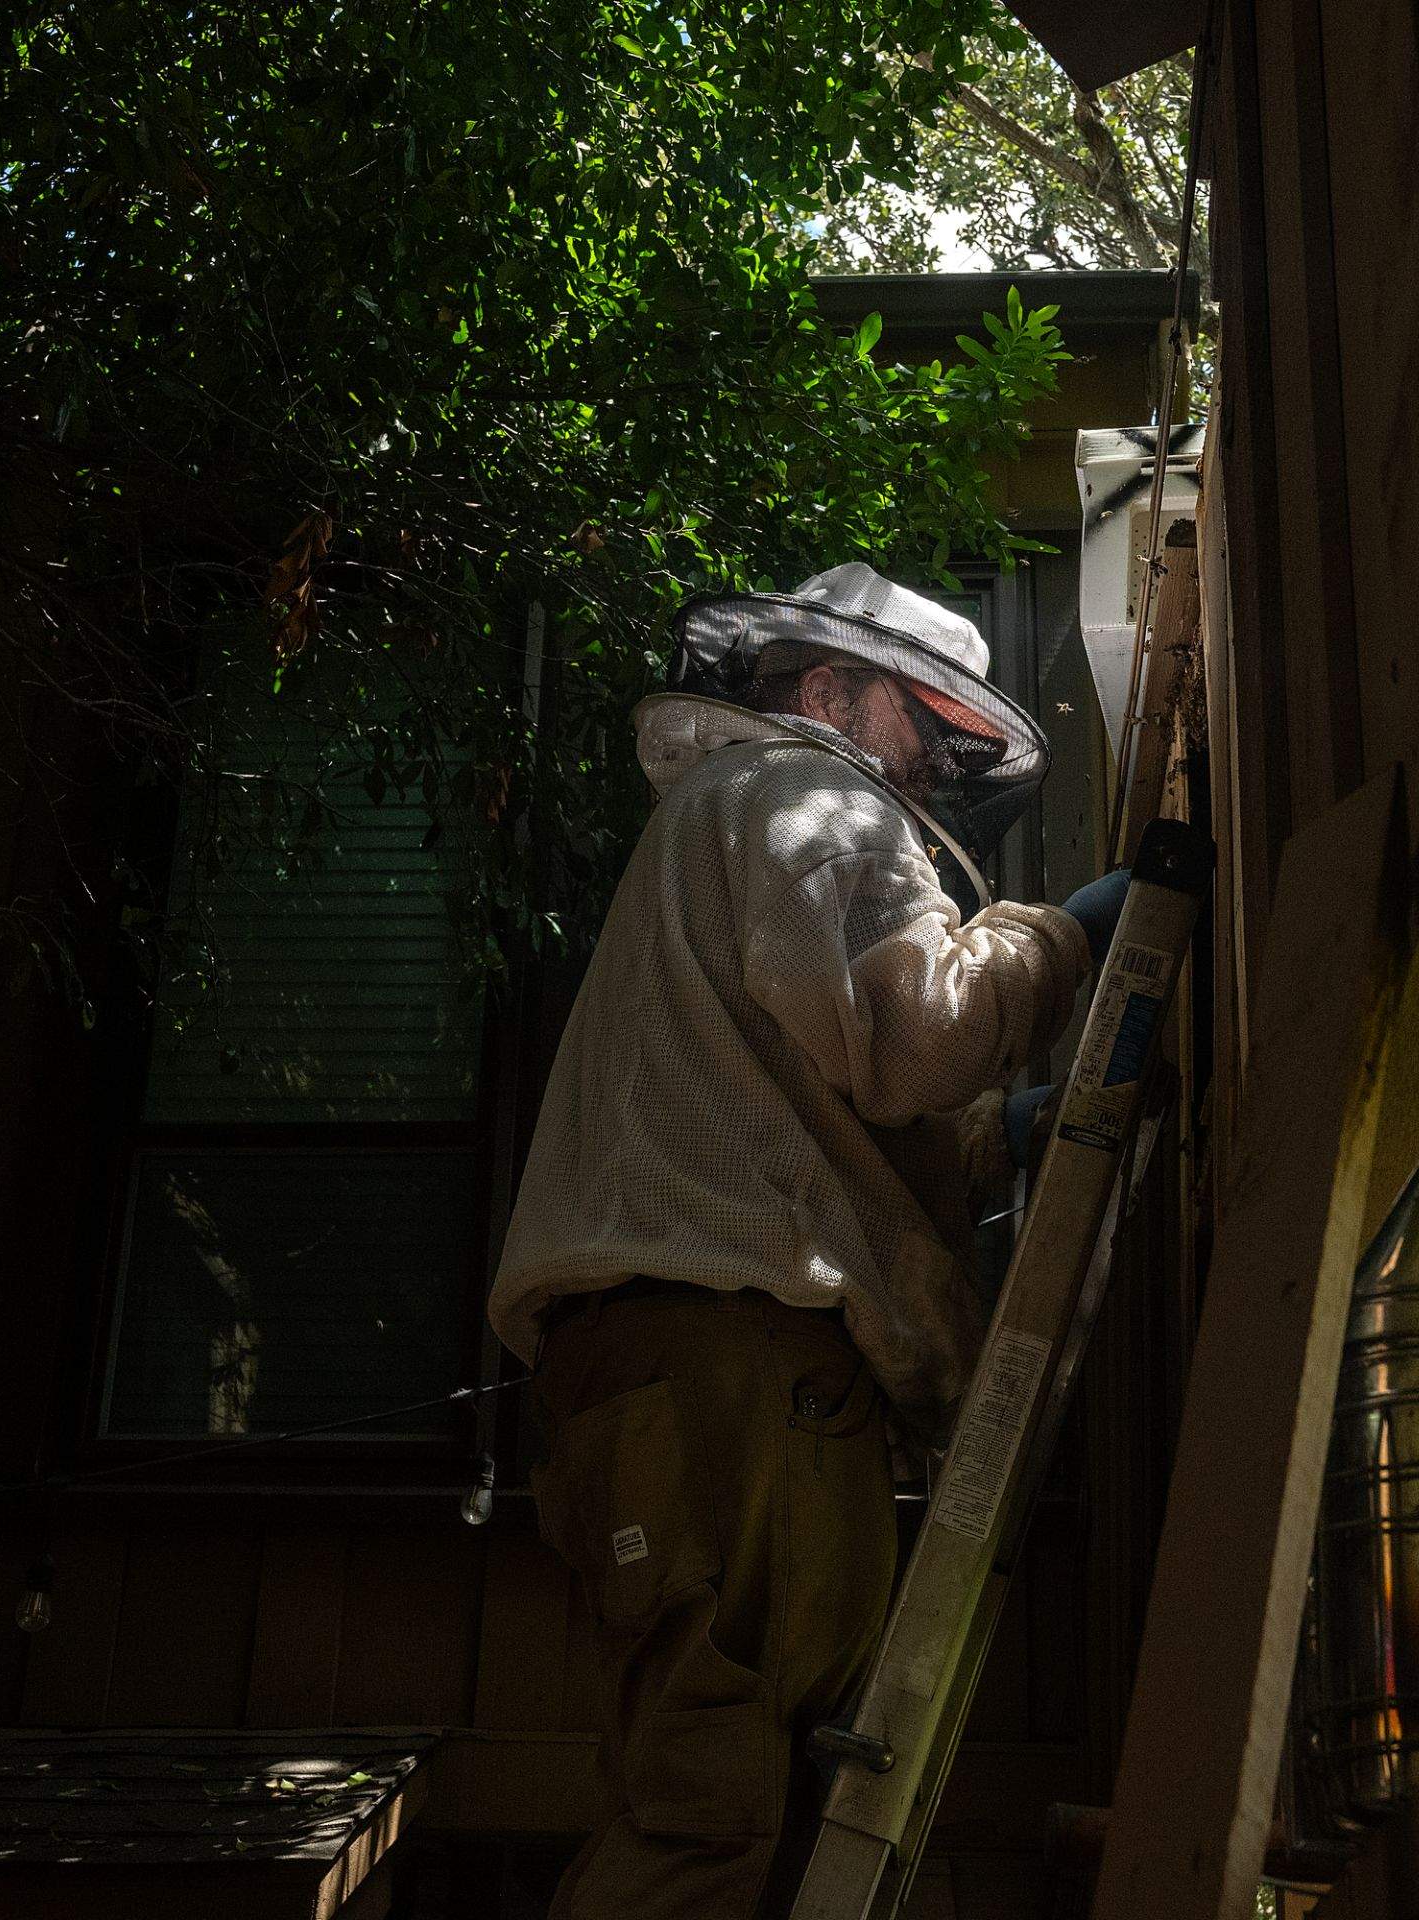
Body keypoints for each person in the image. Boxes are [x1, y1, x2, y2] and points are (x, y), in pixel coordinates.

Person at [489, 563, 1131, 1918]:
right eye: (930, 727)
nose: (941, 769)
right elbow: (917, 1035)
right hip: (739, 1366)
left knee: (725, 1790)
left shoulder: (703, 829)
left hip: (641, 1377)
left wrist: (997, 1140)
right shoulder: (812, 796)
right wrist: (1065, 939)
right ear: (831, 691)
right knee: (718, 1817)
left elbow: (793, 1100)